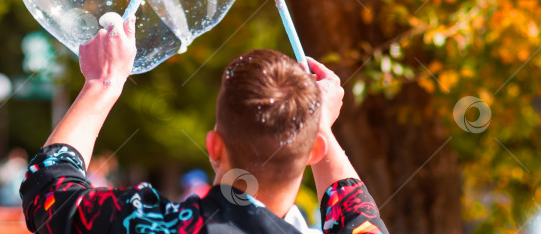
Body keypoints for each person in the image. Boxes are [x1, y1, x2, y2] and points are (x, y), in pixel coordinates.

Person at [20, 15, 388, 233]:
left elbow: (49, 193)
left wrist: (102, 84)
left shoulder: (159, 225)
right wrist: (317, 129)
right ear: (314, 151)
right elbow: (357, 218)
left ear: (213, 147)